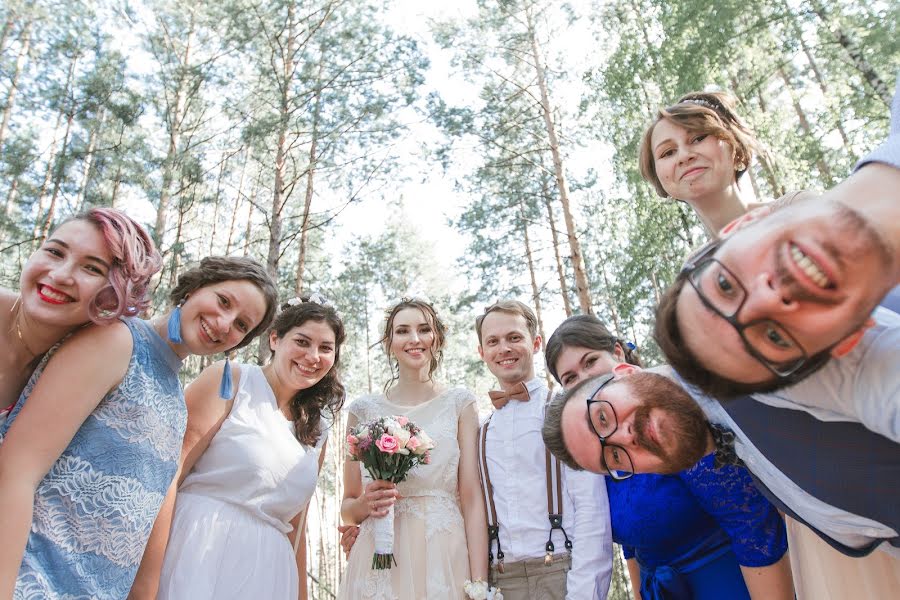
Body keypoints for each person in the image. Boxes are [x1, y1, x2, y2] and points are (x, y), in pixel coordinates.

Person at [0, 256, 278, 599]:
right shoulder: (118, 340)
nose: (224, 324)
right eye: (223, 301)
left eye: (241, 326)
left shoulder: (177, 398)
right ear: (193, 288)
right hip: (29, 580)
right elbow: (16, 469)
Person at [654, 76, 900, 399]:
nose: (769, 298)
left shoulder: (796, 207)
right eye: (774, 336)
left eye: (725, 285)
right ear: (848, 340)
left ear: (748, 223)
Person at [544, 315, 792, 600]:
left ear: (618, 354)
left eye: (590, 362)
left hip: (730, 581)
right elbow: (632, 544)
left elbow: (750, 525)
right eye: (571, 378)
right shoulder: (602, 456)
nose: (585, 378)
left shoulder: (666, 423)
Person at [134, 296, 343, 599]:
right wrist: (146, 578)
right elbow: (168, 474)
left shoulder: (317, 430)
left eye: (325, 348)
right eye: (302, 341)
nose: (313, 356)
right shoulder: (230, 379)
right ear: (274, 339)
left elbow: (297, 527)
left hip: (269, 573)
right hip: (197, 551)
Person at [337, 298, 487, 599]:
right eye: (403, 331)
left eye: (424, 329)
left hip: (442, 551)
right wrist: (368, 503)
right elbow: (348, 509)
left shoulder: (460, 403)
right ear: (390, 342)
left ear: (437, 339)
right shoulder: (363, 411)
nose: (414, 339)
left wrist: (479, 581)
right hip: (378, 555)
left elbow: (471, 497)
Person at [475, 300, 611, 599]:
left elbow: (591, 510)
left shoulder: (566, 413)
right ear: (481, 352)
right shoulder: (481, 430)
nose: (504, 349)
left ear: (535, 343)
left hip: (562, 573)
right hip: (500, 581)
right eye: (493, 341)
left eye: (514, 338)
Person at [1, 208, 160, 422]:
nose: (60, 276)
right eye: (55, 252)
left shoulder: (87, 365)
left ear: (115, 295)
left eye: (92, 268)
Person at [638, 90, 769, 236]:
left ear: (734, 146)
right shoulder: (699, 259)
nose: (684, 156)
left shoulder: (795, 210)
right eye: (668, 152)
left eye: (698, 139)